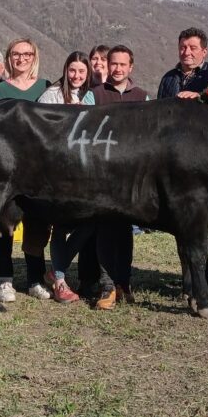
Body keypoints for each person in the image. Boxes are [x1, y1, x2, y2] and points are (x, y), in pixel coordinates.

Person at [157, 27, 208, 303]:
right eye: (183, 47)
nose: (187, 52)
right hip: (178, 162)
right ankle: (190, 280)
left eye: (193, 48)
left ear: (204, 51)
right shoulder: (169, 79)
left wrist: (201, 98)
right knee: (186, 225)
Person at [92, 44, 150, 310]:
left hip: (132, 177)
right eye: (113, 64)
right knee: (105, 229)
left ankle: (123, 282)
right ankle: (106, 285)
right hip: (102, 175)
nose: (117, 69)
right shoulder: (95, 96)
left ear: (131, 67)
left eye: (122, 65)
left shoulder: (143, 97)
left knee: (125, 230)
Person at [0, 38, 51, 302]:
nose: (21, 58)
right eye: (16, 54)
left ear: (34, 57)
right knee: (3, 225)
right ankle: (4, 279)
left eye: (27, 54)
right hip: (6, 168)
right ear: (9, 58)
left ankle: (35, 280)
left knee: (37, 226)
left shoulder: (46, 88)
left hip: (38, 168)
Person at [38, 51, 96, 303]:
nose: (76, 76)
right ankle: (60, 280)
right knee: (60, 225)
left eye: (81, 72)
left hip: (84, 170)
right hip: (56, 169)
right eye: (72, 70)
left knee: (91, 221)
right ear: (65, 70)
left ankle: (55, 270)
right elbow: (38, 127)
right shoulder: (51, 94)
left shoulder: (91, 96)